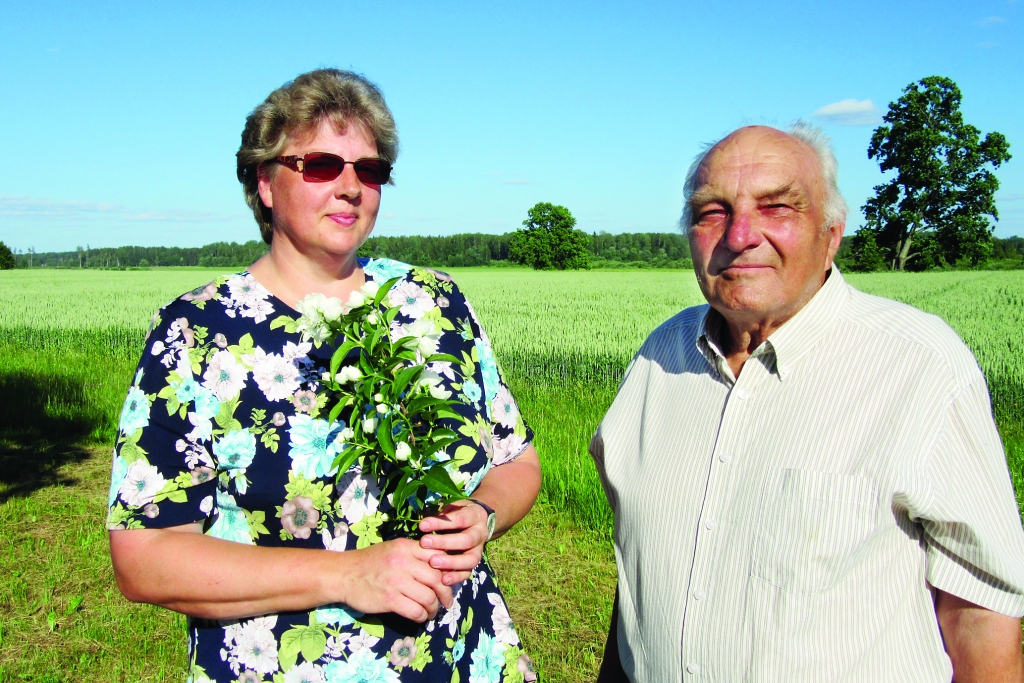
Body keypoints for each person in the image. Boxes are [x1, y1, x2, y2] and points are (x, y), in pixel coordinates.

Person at [107, 69, 541, 683]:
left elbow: (516, 460)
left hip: (465, 658)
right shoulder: (197, 333)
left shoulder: (434, 302)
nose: (350, 187)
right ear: (264, 181)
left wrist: (483, 515)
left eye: (369, 170)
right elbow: (144, 557)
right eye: (319, 165)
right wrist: (347, 575)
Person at [590, 123, 1024, 682]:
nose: (740, 234)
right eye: (712, 212)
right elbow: (642, 582)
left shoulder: (920, 366)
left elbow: (980, 617)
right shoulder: (659, 359)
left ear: (832, 233)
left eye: (776, 208)